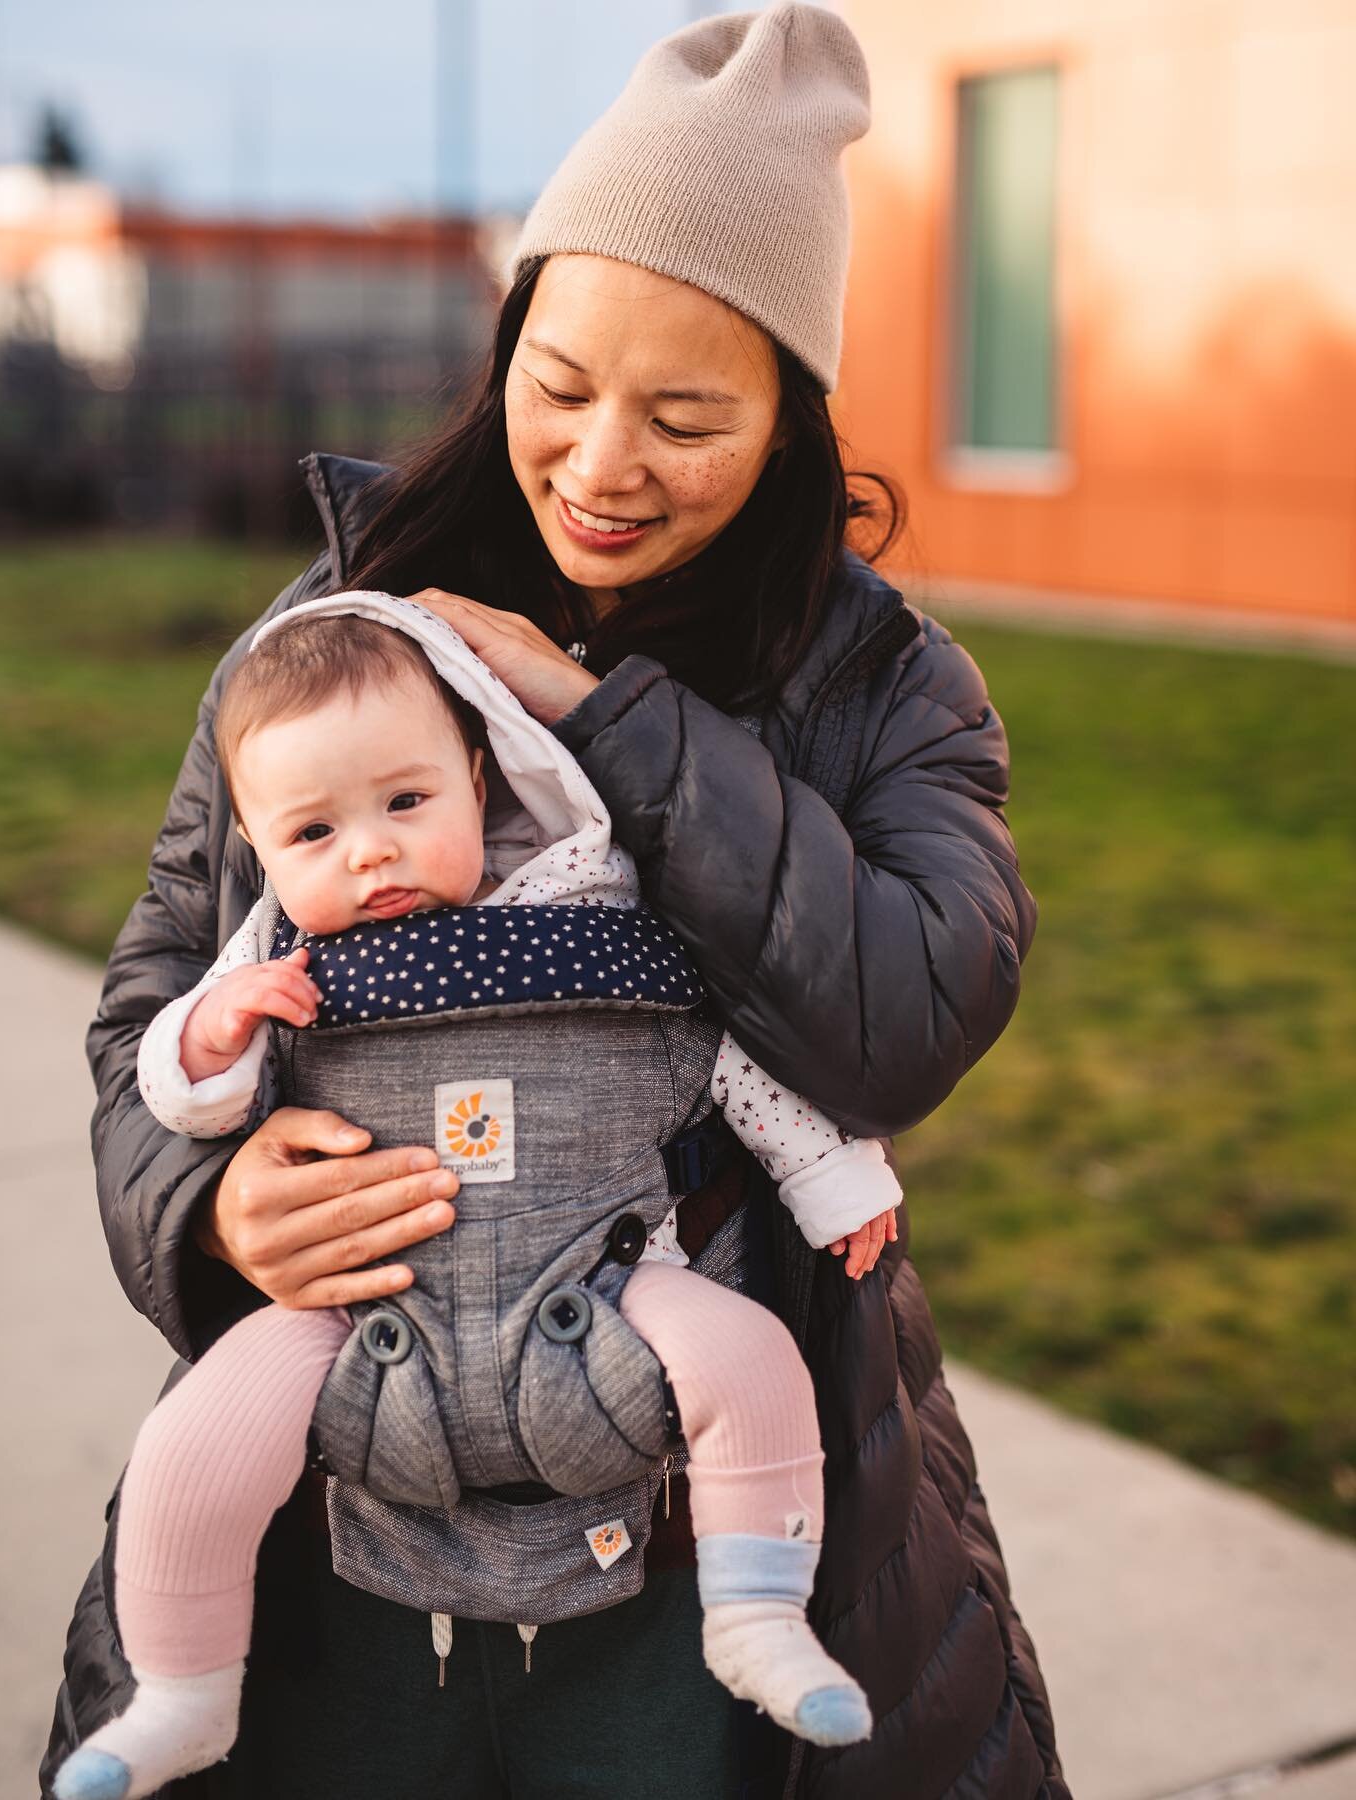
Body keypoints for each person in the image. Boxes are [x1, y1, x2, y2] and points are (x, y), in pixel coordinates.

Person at [43, 7, 1067, 1795]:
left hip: (710, 1536)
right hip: (335, 1512)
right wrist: (210, 1206)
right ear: (504, 340)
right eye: (561, 384)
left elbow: (904, 1018)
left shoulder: (883, 686)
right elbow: (154, 997)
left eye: (685, 416)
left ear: (790, 423)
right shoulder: (349, 629)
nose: (601, 466)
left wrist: (618, 729)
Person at [52, 597, 903, 1799]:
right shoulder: (273, 963)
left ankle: (757, 1613)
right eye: (313, 832)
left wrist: (835, 1177)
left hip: (606, 1274)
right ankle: (182, 1691)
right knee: (191, 1444)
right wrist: (209, 1040)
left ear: (481, 774)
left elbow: (724, 1062)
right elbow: (177, 1100)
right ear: (255, 840)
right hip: (359, 1302)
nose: (370, 853)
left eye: (407, 804)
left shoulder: (596, 919)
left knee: (750, 1360)